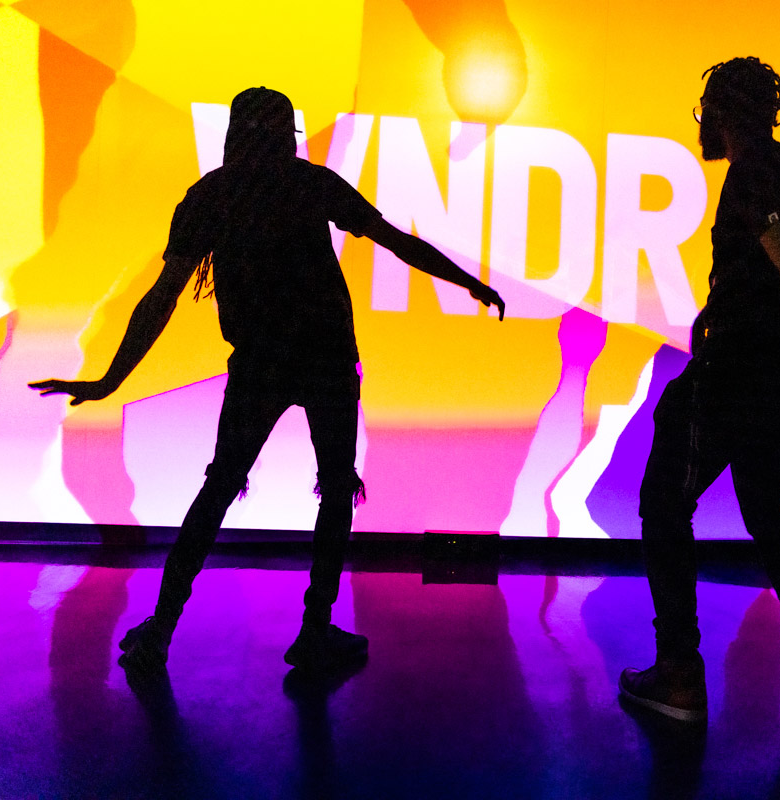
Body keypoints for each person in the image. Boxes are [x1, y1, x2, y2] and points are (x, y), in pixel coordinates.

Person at [30, 86, 505, 674]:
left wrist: (110, 379)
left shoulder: (211, 196)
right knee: (333, 488)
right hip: (326, 357)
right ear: (286, 135)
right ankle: (313, 629)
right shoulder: (308, 183)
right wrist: (467, 282)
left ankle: (162, 628)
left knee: (221, 488)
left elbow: (163, 296)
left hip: (262, 362)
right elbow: (397, 242)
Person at [618, 57, 780, 722]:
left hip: (736, 375)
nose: (702, 122)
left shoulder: (756, 172)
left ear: (722, 113)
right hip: (772, 379)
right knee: (763, 512)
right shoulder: (771, 168)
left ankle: (677, 674)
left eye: (706, 109)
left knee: (664, 503)